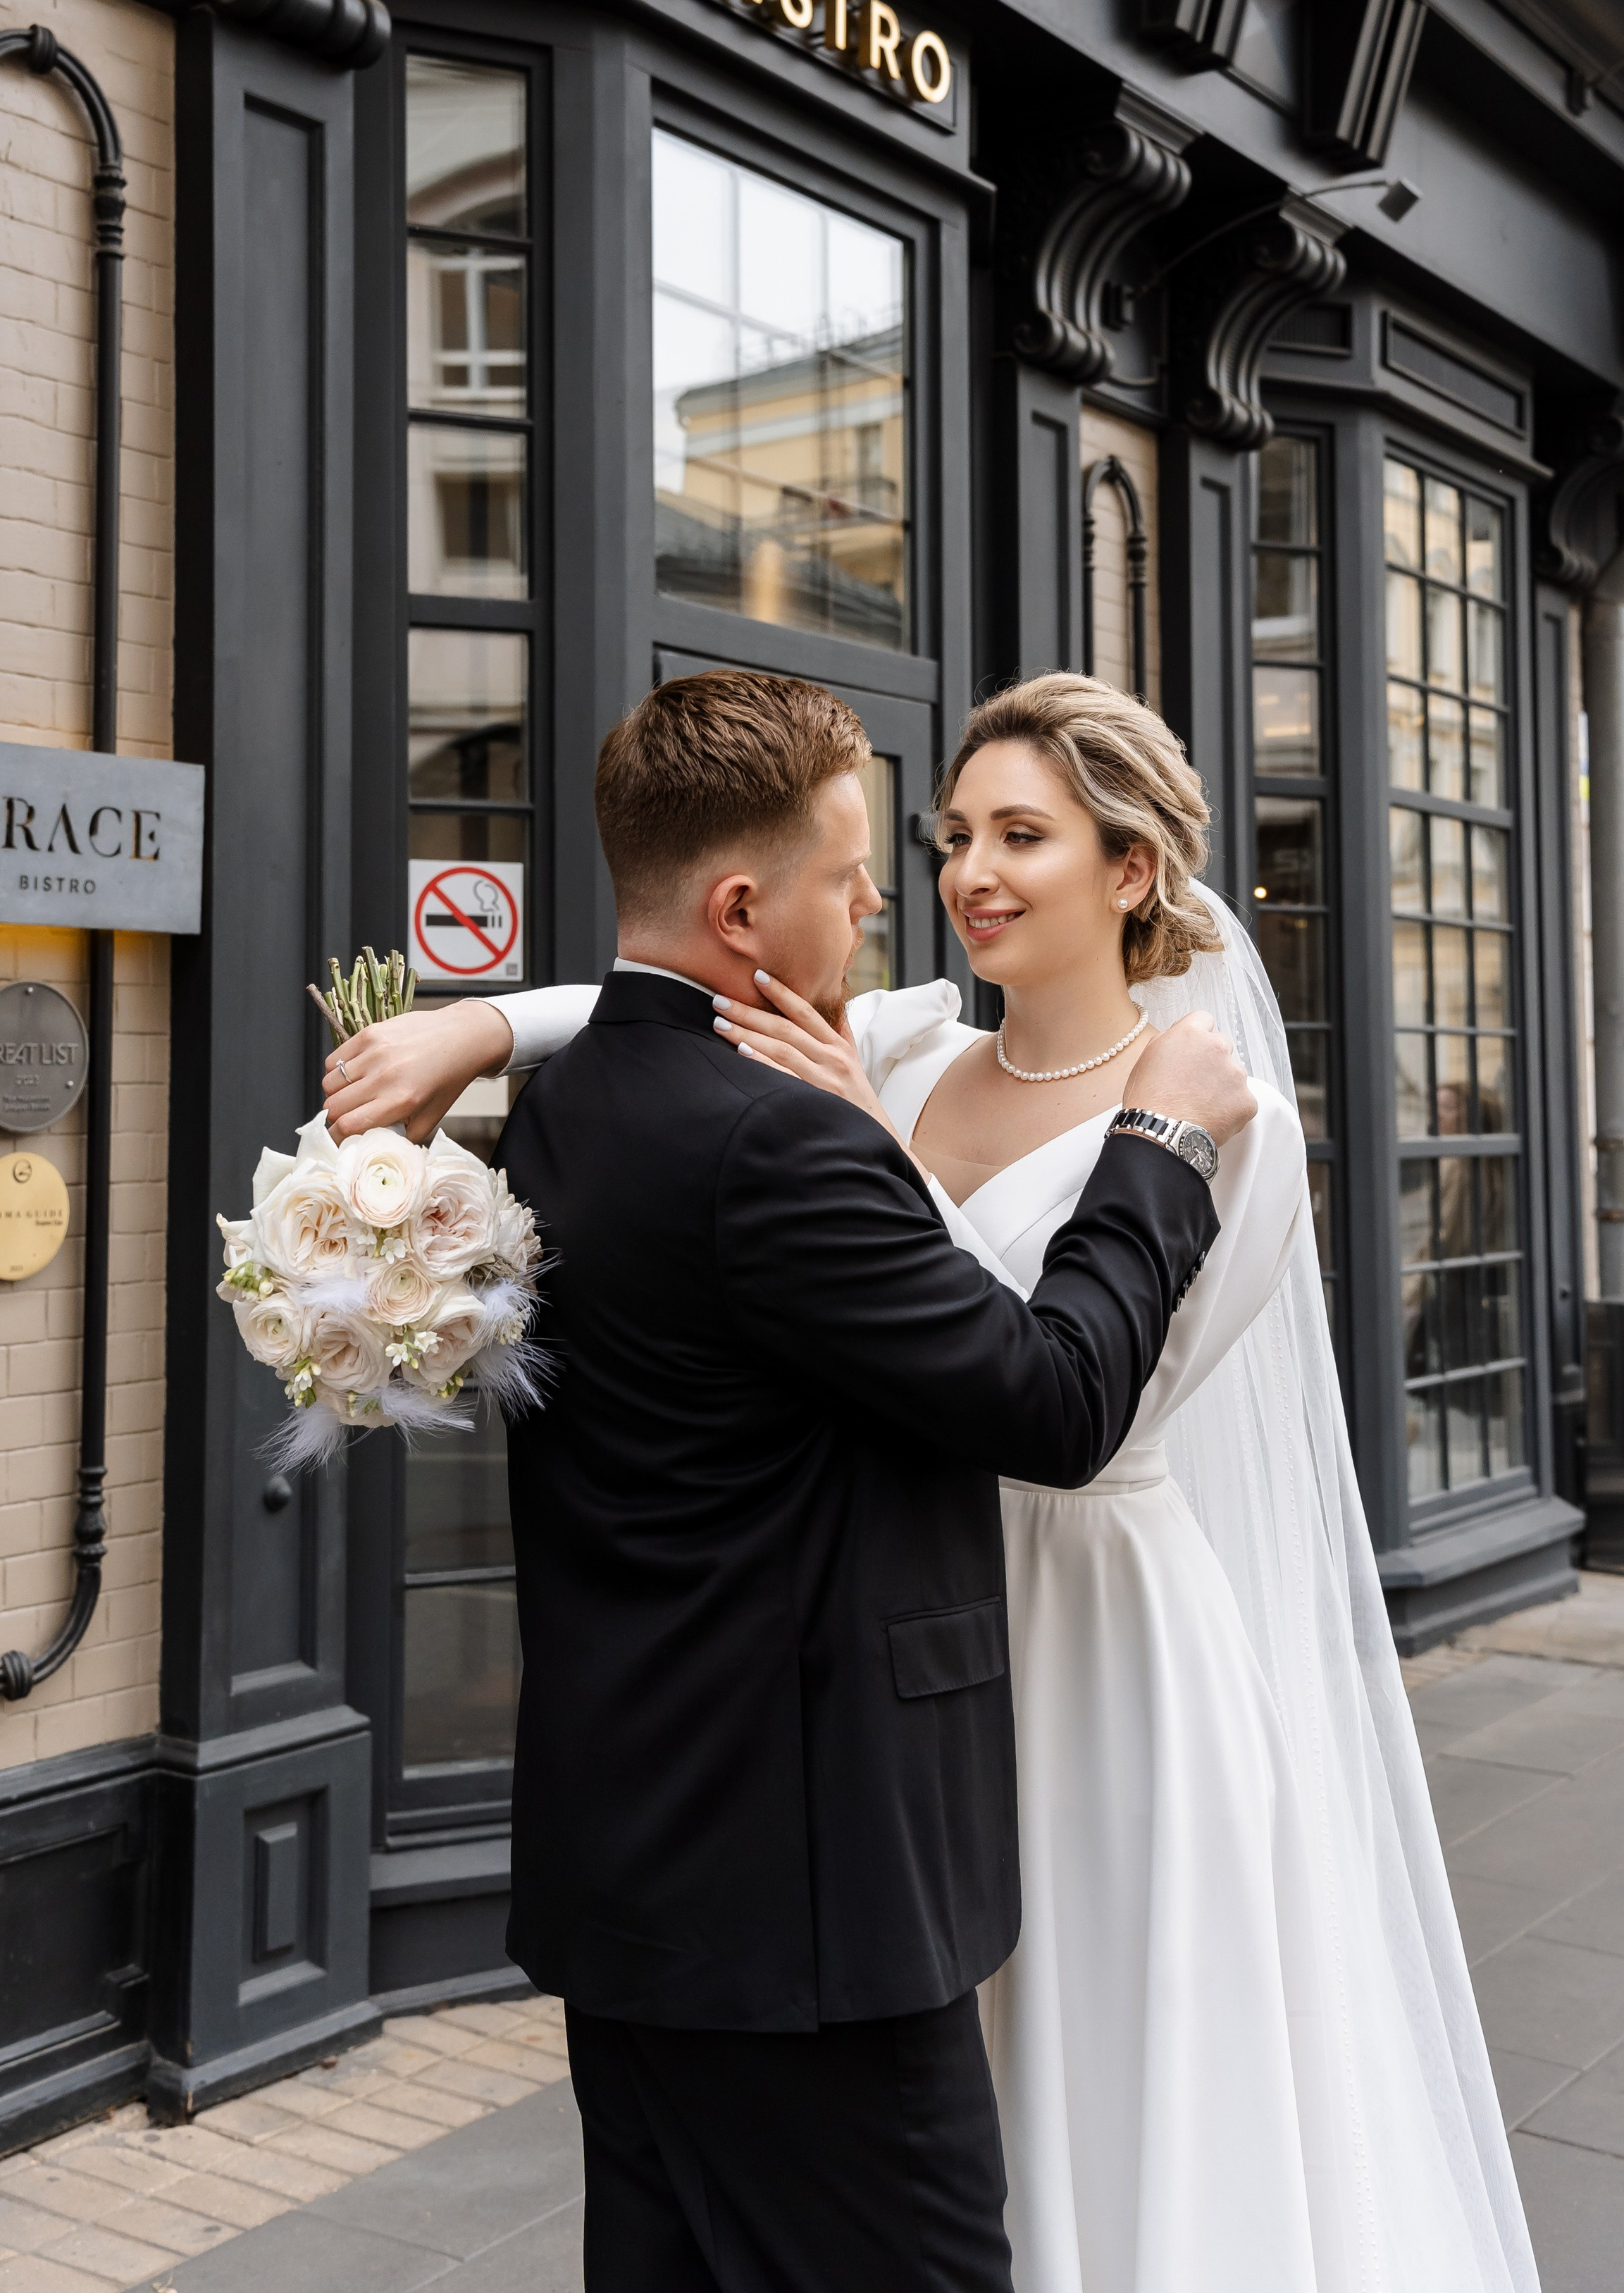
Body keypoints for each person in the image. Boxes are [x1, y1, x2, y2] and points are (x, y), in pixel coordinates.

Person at [330, 669, 1539, 2293]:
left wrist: (1132, 1139)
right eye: (937, 836)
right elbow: (673, 998)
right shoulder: (880, 1049)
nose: (950, 875)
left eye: (1016, 835)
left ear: (1129, 872)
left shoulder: (1216, 1125)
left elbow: (1075, 1410)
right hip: (868, 1729)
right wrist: (481, 1015)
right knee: (889, 2174)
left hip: (1088, 1639)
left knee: (1091, 2086)